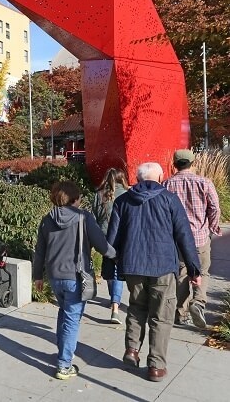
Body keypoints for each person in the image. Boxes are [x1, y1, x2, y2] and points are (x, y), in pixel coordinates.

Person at [105, 162, 201, 383]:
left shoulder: (122, 201)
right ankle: (156, 366)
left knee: (137, 307)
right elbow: (184, 236)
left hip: (133, 265)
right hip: (163, 267)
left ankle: (132, 349)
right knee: (161, 316)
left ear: (137, 180)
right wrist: (194, 269)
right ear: (160, 178)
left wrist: (110, 268)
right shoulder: (170, 200)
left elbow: (112, 238)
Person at [33, 180, 116, 380]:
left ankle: (63, 351)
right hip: (75, 276)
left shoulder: (47, 219)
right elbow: (102, 246)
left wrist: (37, 276)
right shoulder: (83, 217)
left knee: (64, 312)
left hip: (54, 276)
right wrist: (117, 254)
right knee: (72, 319)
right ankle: (64, 364)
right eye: (79, 198)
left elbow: (40, 250)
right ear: (75, 199)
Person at [163, 149, 222, 329]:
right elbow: (214, 208)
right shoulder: (204, 182)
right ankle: (198, 302)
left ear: (174, 164)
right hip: (200, 236)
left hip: (177, 238)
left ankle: (181, 312)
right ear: (193, 162)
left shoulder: (167, 184)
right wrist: (212, 226)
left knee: (181, 273)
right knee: (202, 271)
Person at [92, 167, 129, 324]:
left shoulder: (99, 195)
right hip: (122, 238)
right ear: (122, 179)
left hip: (104, 238)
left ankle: (113, 300)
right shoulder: (128, 195)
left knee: (109, 271)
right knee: (117, 271)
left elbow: (93, 218)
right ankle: (115, 305)